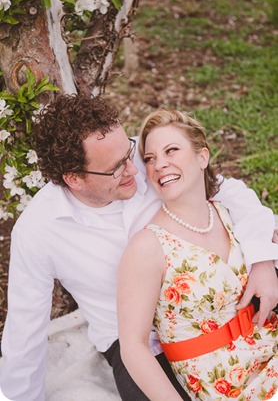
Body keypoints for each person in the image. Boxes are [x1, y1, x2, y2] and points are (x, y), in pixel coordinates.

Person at [0, 95, 277, 401]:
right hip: (136, 343)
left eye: (130, 153)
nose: (136, 170)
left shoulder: (147, 158)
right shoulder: (39, 230)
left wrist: (263, 259)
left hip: (212, 305)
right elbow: (26, 326)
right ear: (74, 179)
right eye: (117, 169)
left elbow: (228, 191)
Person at [118, 109, 278, 401]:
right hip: (229, 386)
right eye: (150, 159)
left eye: (171, 151)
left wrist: (266, 260)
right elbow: (133, 347)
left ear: (202, 157)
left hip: (270, 349)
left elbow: (258, 217)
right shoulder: (147, 246)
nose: (159, 165)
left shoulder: (229, 212)